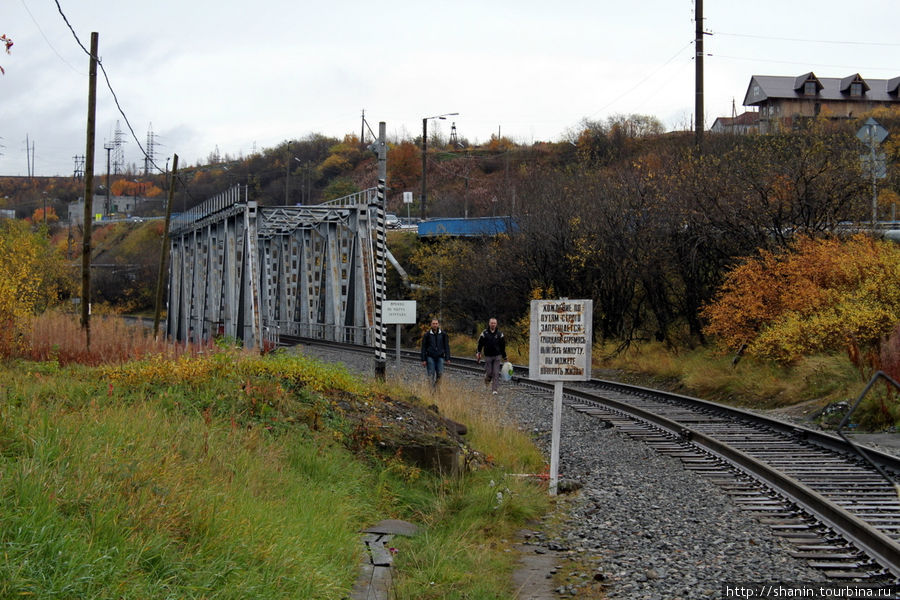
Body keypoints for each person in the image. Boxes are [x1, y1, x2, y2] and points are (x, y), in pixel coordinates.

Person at [476, 317, 507, 395]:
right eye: (492, 323)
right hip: (488, 356)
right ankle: (487, 380)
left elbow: (503, 346)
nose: (493, 324)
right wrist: (478, 352)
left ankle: (494, 390)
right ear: (489, 323)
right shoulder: (484, 333)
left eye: (494, 323)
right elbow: (480, 344)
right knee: (489, 372)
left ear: (496, 324)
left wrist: (505, 356)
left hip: (497, 355)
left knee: (496, 373)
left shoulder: (500, 334)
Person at [420, 318, 451, 388]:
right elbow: (423, 348)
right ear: (431, 324)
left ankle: (436, 388)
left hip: (440, 357)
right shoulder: (427, 335)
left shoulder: (443, 334)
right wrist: (423, 359)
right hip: (430, 357)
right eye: (433, 324)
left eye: (436, 324)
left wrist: (447, 358)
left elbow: (446, 346)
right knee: (431, 374)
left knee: (440, 374)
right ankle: (431, 390)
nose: (435, 325)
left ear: (438, 324)